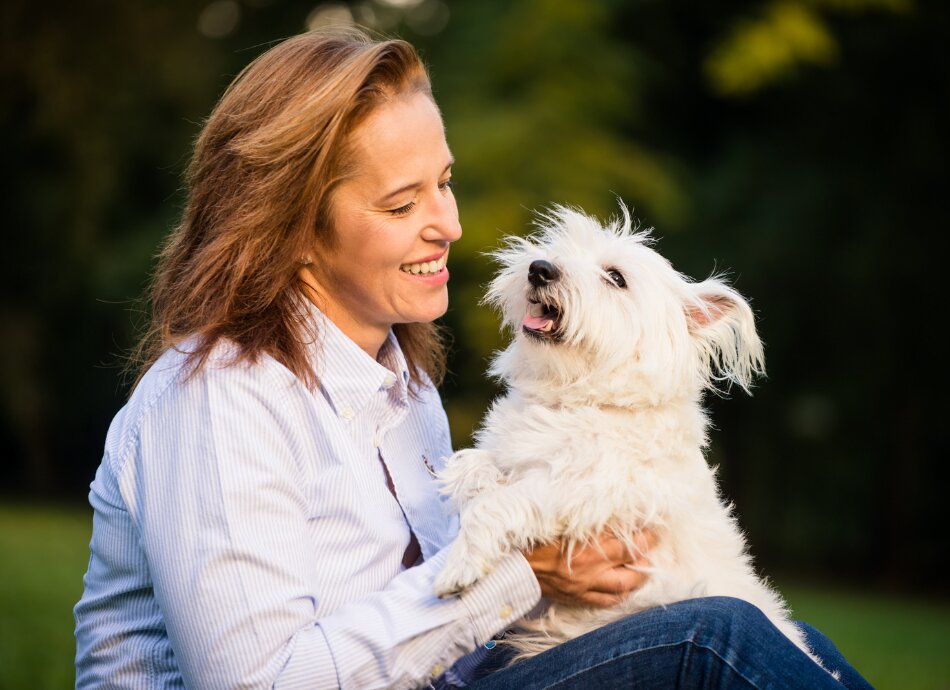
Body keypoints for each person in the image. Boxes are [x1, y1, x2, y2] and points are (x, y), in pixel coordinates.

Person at [73, 28, 873, 690]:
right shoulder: (223, 402)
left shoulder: (399, 384)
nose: (449, 226)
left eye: (444, 184)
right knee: (716, 645)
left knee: (799, 646)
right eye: (401, 203)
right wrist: (523, 572)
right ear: (292, 231)